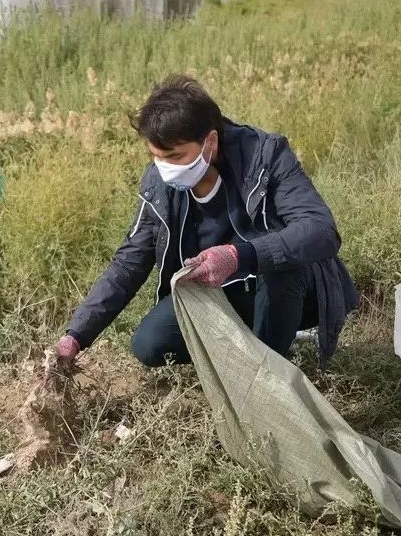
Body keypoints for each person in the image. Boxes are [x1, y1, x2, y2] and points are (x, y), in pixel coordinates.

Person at [54, 75, 359, 371]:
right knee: (149, 343)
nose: (165, 168)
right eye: (156, 157)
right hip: (222, 294)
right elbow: (128, 263)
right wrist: (76, 335)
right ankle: (257, 348)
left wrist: (238, 256)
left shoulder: (265, 155)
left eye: (175, 156)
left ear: (210, 141)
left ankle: (268, 369)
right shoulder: (159, 184)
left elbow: (321, 230)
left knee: (280, 270)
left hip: (290, 291)